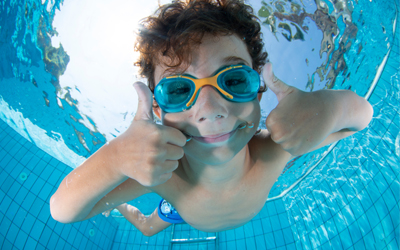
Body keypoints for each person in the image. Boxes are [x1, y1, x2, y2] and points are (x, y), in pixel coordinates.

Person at [50, 0, 373, 237]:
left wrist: (325, 109)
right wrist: (116, 159)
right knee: (148, 227)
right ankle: (130, 209)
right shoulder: (163, 173)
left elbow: (360, 118)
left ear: (259, 93)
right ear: (158, 113)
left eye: (233, 80)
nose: (210, 109)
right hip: (179, 210)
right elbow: (63, 210)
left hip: (195, 212)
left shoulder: (274, 150)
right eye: (178, 90)